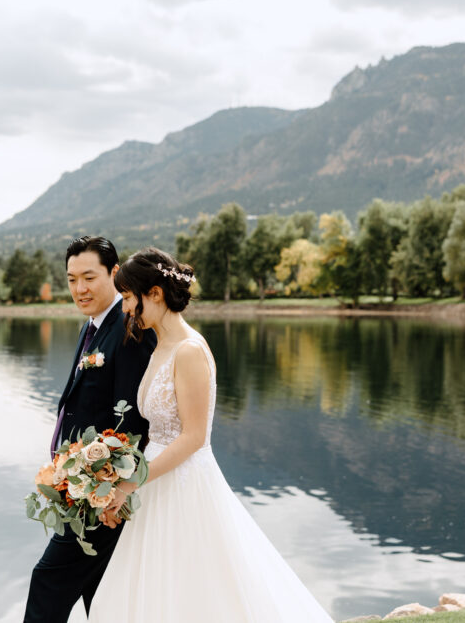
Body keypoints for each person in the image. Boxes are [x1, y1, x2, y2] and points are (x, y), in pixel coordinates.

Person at [87, 247, 333, 622]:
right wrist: (120, 482)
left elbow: (194, 436)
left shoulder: (189, 351)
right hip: (155, 483)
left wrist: (130, 484)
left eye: (127, 297)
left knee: (193, 592)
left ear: (154, 294)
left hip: (184, 485)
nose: (123, 308)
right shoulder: (159, 347)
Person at [24, 236, 155, 623]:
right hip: (81, 488)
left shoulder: (130, 328)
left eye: (89, 277)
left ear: (115, 274)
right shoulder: (92, 327)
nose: (79, 289)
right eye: (71, 279)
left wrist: (109, 491)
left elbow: (132, 421)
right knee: (100, 594)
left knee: (48, 580)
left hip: (100, 496)